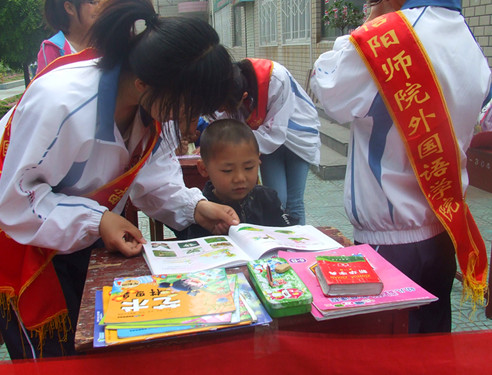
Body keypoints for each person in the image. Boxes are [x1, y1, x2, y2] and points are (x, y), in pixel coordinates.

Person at [0, 0, 238, 359]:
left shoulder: (150, 104)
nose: (191, 122)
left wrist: (196, 207)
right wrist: (97, 218)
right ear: (144, 84)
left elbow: (152, 178)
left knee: (92, 346)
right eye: (190, 107)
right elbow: (17, 203)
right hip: (17, 240)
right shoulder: (62, 103)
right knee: (50, 358)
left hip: (75, 236)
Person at [310, 0, 491, 333]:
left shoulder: (387, 36)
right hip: (443, 228)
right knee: (432, 348)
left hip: (389, 241)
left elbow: (326, 89)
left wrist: (364, 28)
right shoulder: (467, 37)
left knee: (388, 353)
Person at [222, 58, 321, 225]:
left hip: (298, 136)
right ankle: (278, 246)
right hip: (266, 142)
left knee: (295, 202)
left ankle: (300, 248)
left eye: (226, 107)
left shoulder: (276, 78)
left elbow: (277, 130)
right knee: (277, 200)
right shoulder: (232, 86)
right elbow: (224, 123)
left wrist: (242, 147)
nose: (222, 110)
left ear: (243, 96)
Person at [183, 119, 295, 239]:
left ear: (258, 160)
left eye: (248, 167)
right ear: (203, 169)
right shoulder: (201, 209)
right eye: (228, 170)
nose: (240, 178)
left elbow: (287, 234)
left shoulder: (268, 198)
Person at [36, 0, 101, 74]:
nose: (99, 7)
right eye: (93, 2)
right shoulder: (53, 49)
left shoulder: (105, 42)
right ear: (70, 8)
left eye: (100, 2)